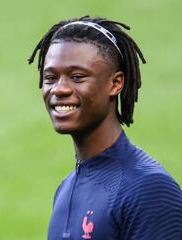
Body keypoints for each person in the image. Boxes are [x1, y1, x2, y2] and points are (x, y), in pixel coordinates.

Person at [28, 16, 182, 240]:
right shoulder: (66, 188)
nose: (59, 89)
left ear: (115, 83)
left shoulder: (149, 190)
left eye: (77, 77)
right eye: (50, 78)